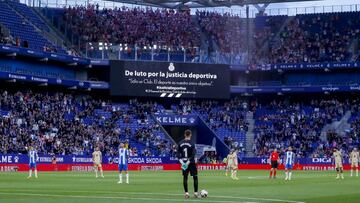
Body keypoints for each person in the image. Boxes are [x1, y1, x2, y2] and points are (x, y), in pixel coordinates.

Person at [177, 129, 199, 198]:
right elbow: (193, 154)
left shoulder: (180, 143)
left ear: (184, 134)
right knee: (195, 177)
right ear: (190, 135)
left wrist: (183, 163)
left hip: (183, 162)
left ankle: (186, 193)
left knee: (185, 177)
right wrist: (188, 162)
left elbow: (178, 154)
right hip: (191, 162)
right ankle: (195, 193)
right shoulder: (192, 143)